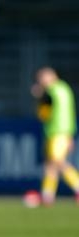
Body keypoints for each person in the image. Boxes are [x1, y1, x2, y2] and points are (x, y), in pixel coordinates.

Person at [31, 67, 79, 205]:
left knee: (57, 161)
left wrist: (39, 94)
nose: (41, 81)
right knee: (50, 165)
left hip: (59, 132)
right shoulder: (63, 89)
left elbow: (44, 112)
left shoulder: (54, 91)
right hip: (57, 132)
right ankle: (47, 196)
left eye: (42, 78)